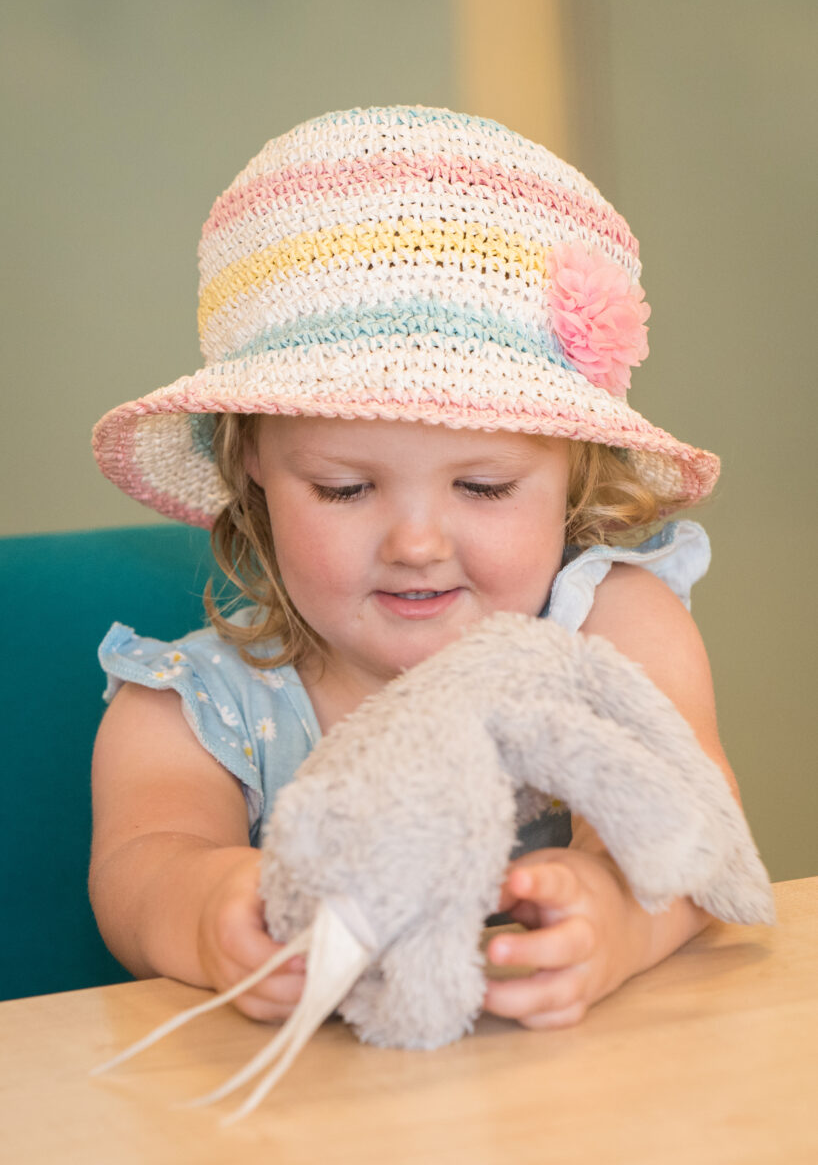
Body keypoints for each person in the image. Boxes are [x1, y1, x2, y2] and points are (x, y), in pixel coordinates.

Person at [90, 105, 734, 1033]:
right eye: (347, 490)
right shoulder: (196, 710)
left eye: (483, 486)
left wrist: (617, 917)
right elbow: (142, 863)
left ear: (573, 477)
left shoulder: (612, 631)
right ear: (254, 475)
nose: (418, 544)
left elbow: (697, 825)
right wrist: (207, 909)